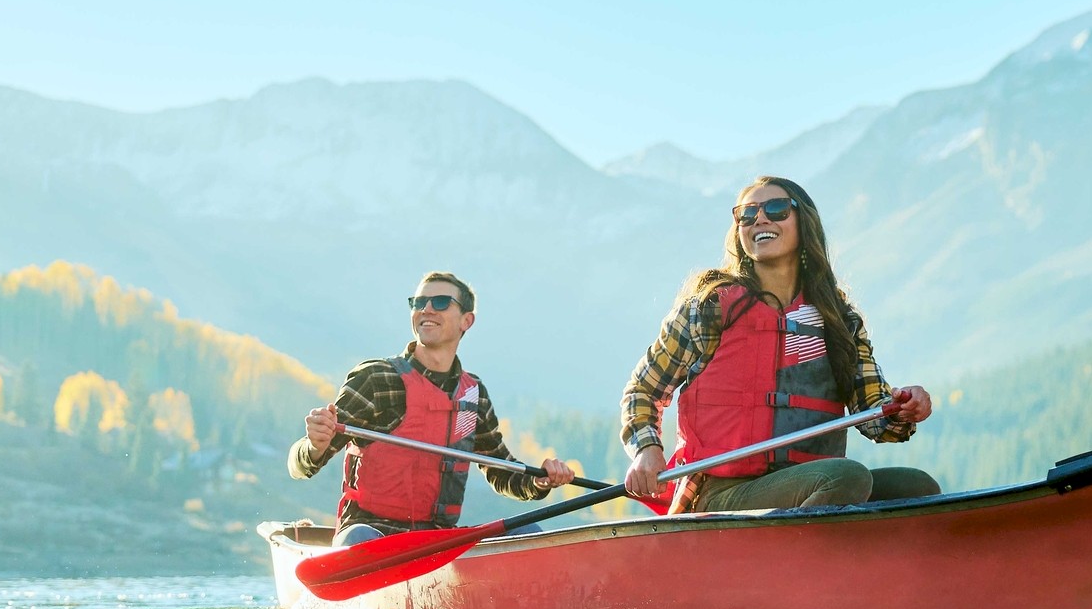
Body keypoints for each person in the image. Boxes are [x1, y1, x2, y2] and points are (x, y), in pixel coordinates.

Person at [621, 176, 938, 513]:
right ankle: (797, 560)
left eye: (776, 208)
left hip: (810, 482)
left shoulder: (838, 319)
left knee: (917, 486)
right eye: (747, 213)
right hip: (722, 494)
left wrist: (903, 409)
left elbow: (875, 415)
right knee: (846, 477)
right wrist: (646, 450)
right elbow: (643, 390)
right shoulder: (709, 307)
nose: (760, 218)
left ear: (805, 223)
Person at [290, 271, 576, 545]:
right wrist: (315, 445)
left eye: (440, 302)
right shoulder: (376, 379)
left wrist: (540, 481)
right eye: (418, 303)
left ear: (467, 320)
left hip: (435, 541)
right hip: (368, 536)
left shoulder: (473, 395)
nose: (426, 309)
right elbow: (300, 466)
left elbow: (503, 473)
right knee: (359, 538)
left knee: (529, 532)